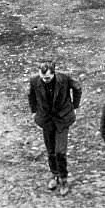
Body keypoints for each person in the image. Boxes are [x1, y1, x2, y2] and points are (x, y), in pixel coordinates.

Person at [27, 59, 82, 195]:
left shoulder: (64, 78)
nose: (45, 80)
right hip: (46, 120)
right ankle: (55, 174)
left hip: (62, 119)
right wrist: (34, 111)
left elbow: (77, 88)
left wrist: (75, 107)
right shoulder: (34, 80)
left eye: (48, 78)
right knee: (50, 150)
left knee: (60, 152)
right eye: (42, 77)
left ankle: (63, 179)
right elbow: (31, 95)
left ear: (54, 73)